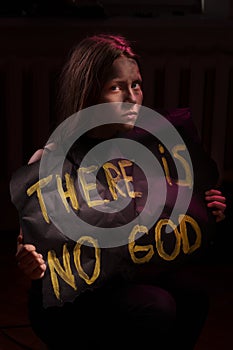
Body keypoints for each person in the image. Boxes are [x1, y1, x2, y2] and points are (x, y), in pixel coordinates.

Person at [13, 34, 226, 350]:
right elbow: (27, 248)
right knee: (156, 305)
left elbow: (167, 217)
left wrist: (206, 210)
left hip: (127, 275)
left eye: (136, 85)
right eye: (116, 87)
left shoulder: (149, 150)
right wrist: (27, 259)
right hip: (73, 301)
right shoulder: (53, 159)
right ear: (88, 94)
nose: (132, 98)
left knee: (192, 294)